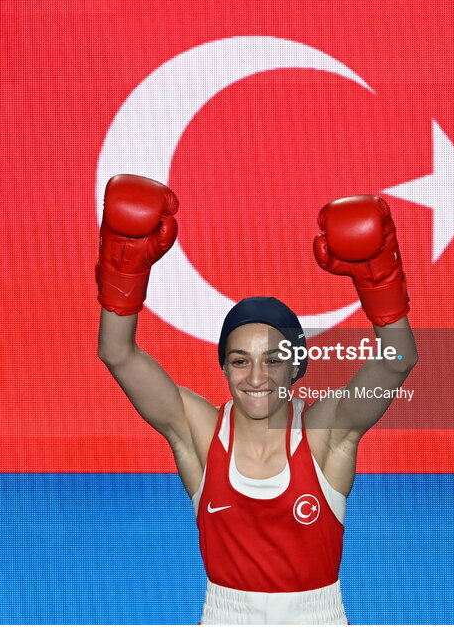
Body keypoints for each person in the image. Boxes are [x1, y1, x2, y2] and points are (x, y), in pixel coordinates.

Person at [95, 174, 418, 624]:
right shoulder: (200, 430)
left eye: (273, 360)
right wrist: (124, 268)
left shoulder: (325, 429)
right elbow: (118, 353)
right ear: (224, 368)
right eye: (240, 361)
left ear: (297, 366)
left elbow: (396, 361)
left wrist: (380, 282)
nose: (257, 377)